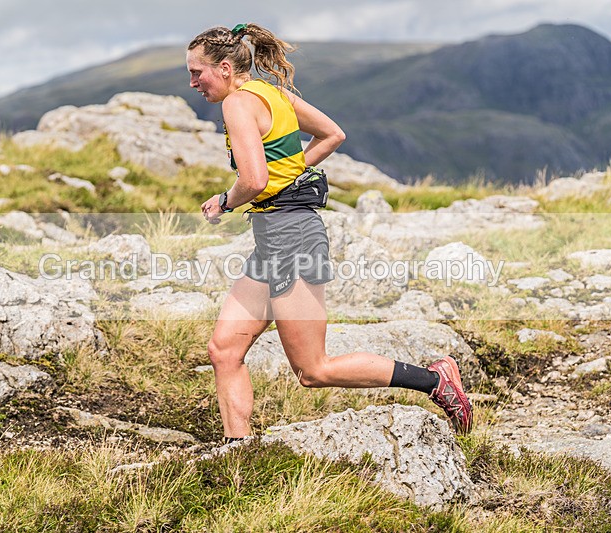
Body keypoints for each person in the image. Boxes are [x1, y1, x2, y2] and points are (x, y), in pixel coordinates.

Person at [187, 23, 473, 442]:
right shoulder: (274, 94)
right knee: (225, 349)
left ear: (226, 68)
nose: (193, 82)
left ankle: (435, 381)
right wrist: (290, 172)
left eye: (197, 72)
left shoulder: (237, 104)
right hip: (275, 237)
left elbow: (252, 178)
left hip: (292, 237)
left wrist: (225, 200)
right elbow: (332, 134)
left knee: (313, 369)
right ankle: (238, 449)